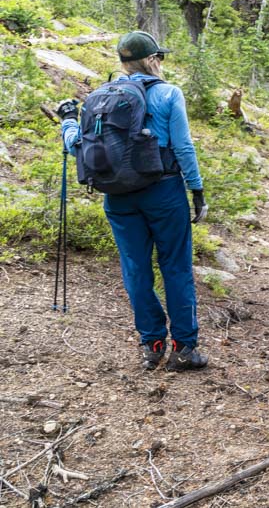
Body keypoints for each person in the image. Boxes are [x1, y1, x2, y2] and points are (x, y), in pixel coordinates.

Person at [56, 31, 209, 371]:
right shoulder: (168, 93)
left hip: (119, 197)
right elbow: (183, 147)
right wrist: (196, 190)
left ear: (123, 62)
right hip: (164, 191)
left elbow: (78, 146)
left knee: (136, 269)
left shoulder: (99, 98)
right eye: (159, 57)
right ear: (152, 59)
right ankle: (184, 349)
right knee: (175, 267)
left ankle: (151, 344)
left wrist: (67, 120)